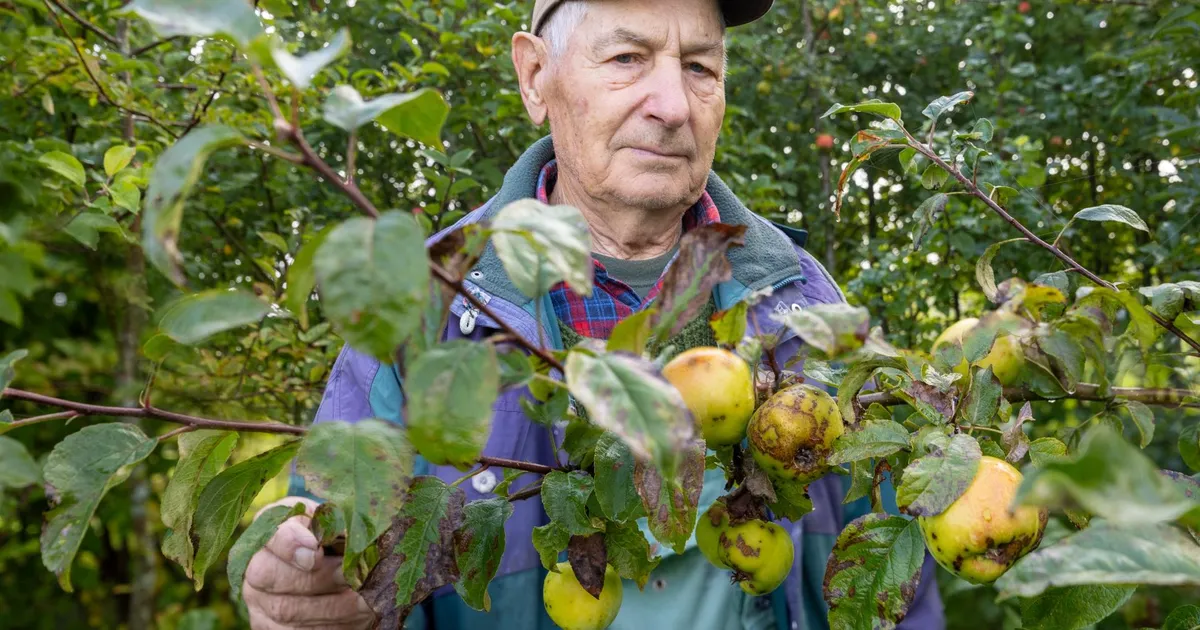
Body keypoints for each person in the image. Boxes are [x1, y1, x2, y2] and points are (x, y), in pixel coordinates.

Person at [242, 1, 947, 628]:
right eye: (627, 58)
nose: (672, 104)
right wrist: (305, 581)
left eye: (699, 66)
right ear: (535, 77)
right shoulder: (420, 307)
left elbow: (888, 578)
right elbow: (331, 532)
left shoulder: (804, 299)